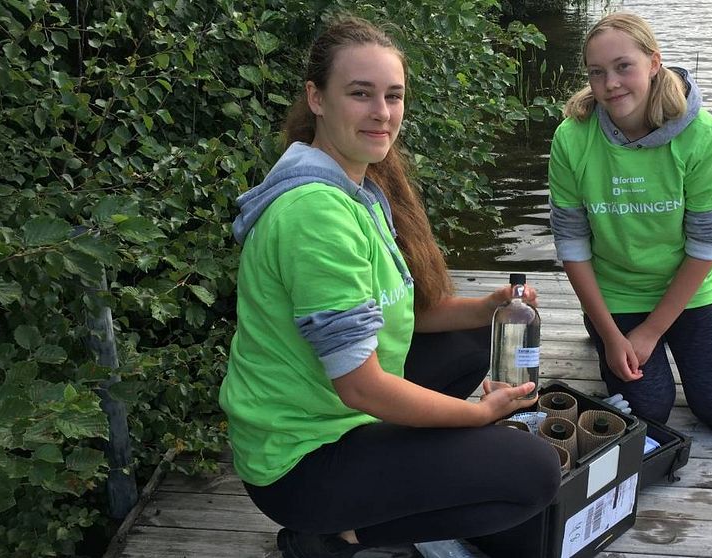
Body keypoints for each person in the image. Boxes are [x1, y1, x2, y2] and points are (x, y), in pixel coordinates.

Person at [218, 16, 561, 558]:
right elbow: (362, 389)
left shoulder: (353, 187)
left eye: (393, 96)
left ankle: (406, 474)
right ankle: (334, 536)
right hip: (300, 461)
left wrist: (490, 308)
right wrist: (479, 416)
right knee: (535, 474)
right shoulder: (316, 216)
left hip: (335, 409)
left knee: (477, 337)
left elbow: (399, 310)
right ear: (317, 98)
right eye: (360, 94)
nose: (382, 113)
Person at [548, 12, 712, 434]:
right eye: (597, 72)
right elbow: (571, 242)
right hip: (615, 293)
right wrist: (610, 334)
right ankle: (602, 327)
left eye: (624, 67)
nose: (610, 84)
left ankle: (664, 336)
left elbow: (707, 242)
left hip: (687, 289)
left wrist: (652, 331)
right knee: (648, 412)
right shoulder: (572, 137)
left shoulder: (700, 134)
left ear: (654, 63)